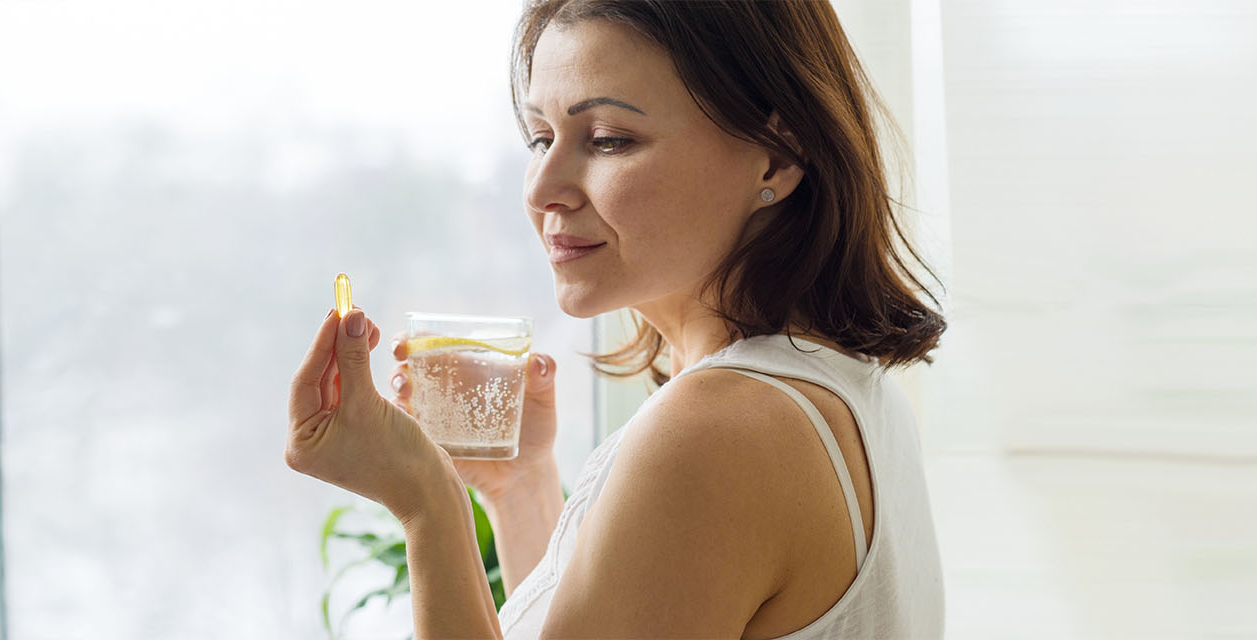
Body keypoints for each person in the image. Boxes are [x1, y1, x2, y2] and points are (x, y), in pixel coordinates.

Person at [285, 1, 946, 637]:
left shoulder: (716, 434)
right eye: (540, 136)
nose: (542, 188)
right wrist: (519, 490)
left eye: (606, 139)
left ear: (775, 156)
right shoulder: (844, 392)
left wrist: (426, 501)